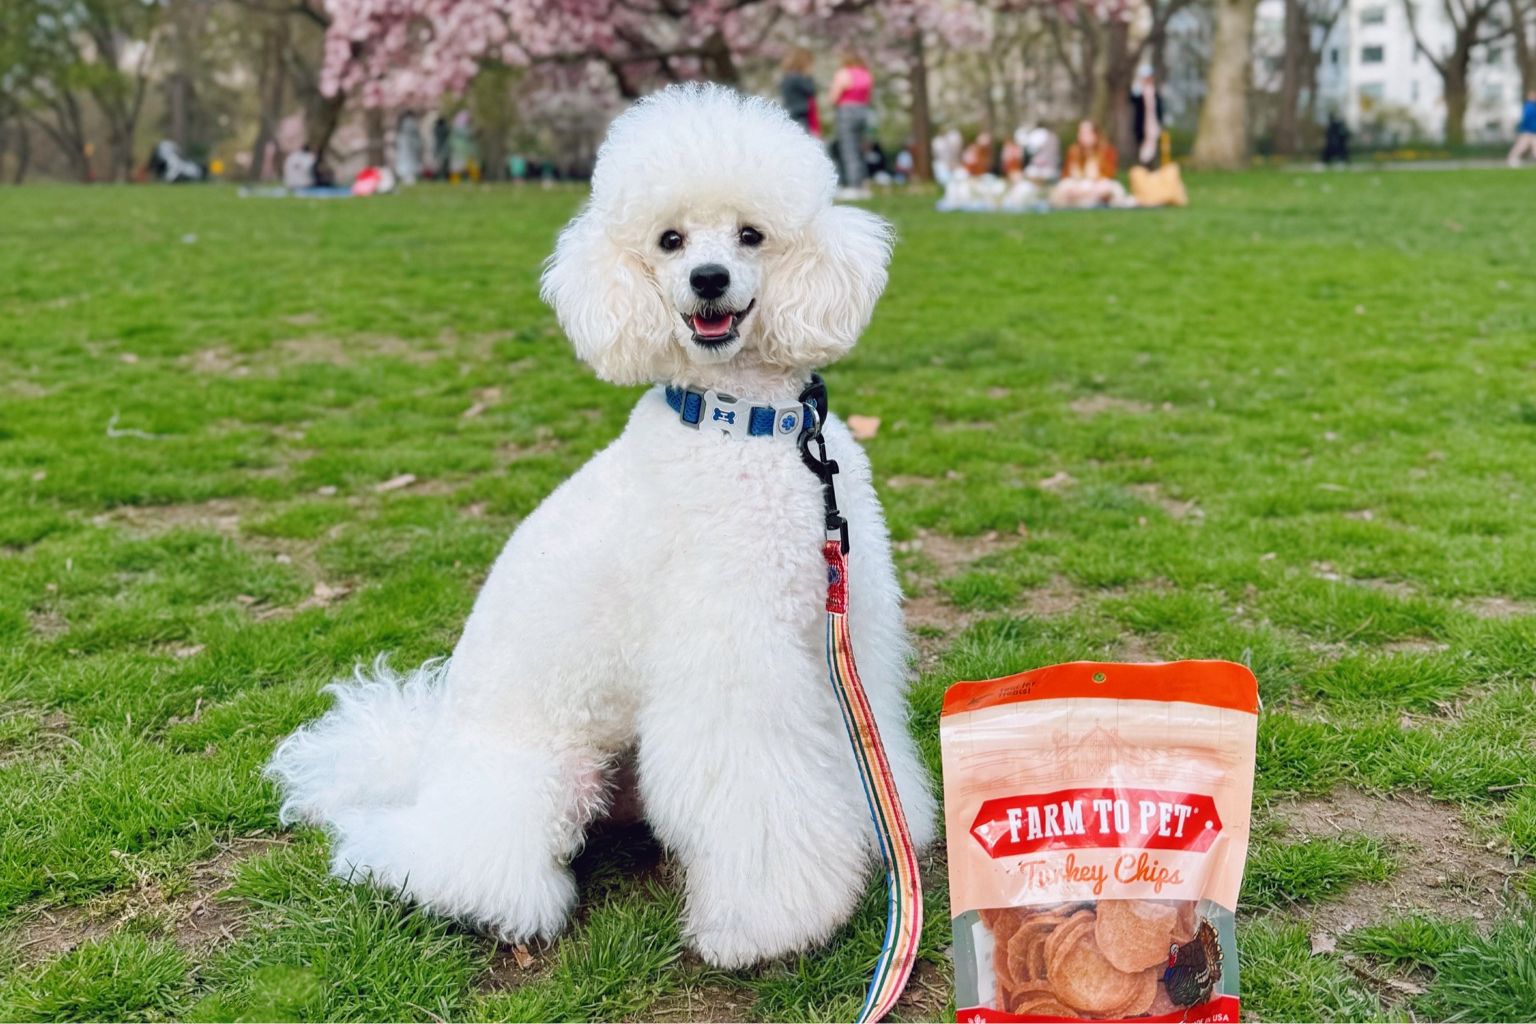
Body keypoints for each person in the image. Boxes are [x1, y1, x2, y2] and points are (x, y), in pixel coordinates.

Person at [1051, 120, 1131, 208]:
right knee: (1065, 186)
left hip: (1097, 185)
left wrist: (1093, 184)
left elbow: (1109, 175)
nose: (1083, 136)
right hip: (1077, 186)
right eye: (1081, 133)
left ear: (1095, 134)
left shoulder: (1107, 150)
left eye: (1087, 133)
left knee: (1108, 187)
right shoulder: (1073, 151)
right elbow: (1066, 175)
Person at [828, 49, 874, 199]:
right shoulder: (866, 74)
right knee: (859, 149)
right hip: (863, 111)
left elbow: (834, 97)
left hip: (847, 110)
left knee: (848, 148)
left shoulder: (844, 73)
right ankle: (862, 183)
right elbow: (869, 96)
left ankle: (852, 185)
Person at [1129, 66, 1165, 168]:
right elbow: (1132, 100)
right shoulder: (1138, 93)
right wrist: (1137, 87)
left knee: (1153, 149)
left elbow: (1159, 110)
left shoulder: (1155, 93)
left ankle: (1152, 169)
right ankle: (1143, 169)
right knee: (1142, 149)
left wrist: (1160, 123)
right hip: (1141, 126)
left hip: (1153, 126)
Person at [779, 48, 819, 135]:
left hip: (790, 112)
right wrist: (809, 77)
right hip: (800, 114)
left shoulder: (787, 77)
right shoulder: (798, 78)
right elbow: (811, 90)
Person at [1508, 90, 1536, 167]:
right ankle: (1512, 159)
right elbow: (1527, 119)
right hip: (1528, 131)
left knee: (1533, 146)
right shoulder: (1529, 107)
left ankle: (1512, 159)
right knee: (1521, 146)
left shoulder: (1532, 107)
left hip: (1532, 131)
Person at [395, 111, 423, 184]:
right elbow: (415, 132)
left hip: (405, 144)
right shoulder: (410, 122)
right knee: (409, 161)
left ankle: (407, 177)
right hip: (409, 144)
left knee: (406, 160)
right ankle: (408, 177)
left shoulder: (403, 123)